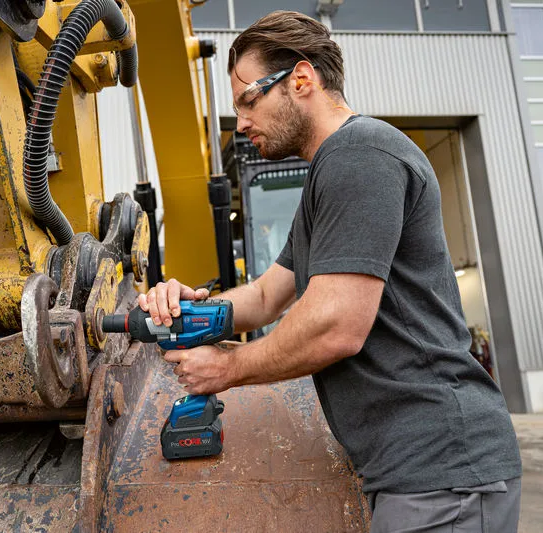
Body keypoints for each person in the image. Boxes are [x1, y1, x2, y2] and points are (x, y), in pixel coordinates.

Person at [140, 11, 522, 533]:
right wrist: (193, 308)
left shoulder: (360, 154)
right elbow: (268, 295)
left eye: (247, 100)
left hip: (439, 474)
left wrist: (227, 368)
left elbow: (337, 324)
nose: (242, 122)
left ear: (300, 80)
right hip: (416, 473)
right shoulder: (331, 170)